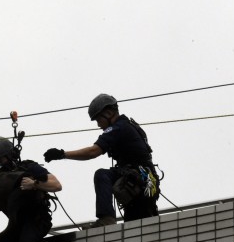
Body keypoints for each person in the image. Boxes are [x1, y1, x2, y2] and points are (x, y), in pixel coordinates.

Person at [44, 93, 159, 227]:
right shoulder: (129, 125)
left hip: (139, 180)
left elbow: (92, 152)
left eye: (98, 120)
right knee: (134, 226)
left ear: (109, 113)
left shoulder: (118, 128)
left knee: (102, 175)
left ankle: (106, 219)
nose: (99, 125)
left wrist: (62, 154)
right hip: (146, 183)